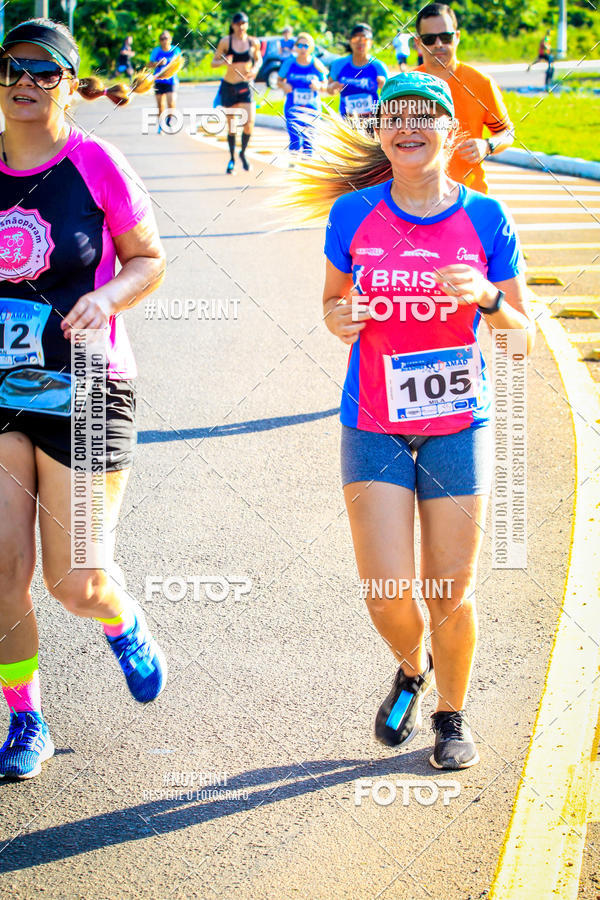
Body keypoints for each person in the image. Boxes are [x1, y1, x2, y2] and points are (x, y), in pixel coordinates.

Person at [292, 71, 534, 768]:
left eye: (424, 115)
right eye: (394, 115)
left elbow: (521, 339)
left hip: (459, 423)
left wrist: (488, 297)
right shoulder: (353, 214)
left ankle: (451, 716)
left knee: (450, 589)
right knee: (386, 592)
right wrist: (339, 317)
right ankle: (412, 665)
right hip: (374, 421)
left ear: (451, 131)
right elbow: (332, 304)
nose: (408, 125)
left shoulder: (486, 217)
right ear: (381, 132)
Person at [0, 18, 167, 780]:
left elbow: (148, 259)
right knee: (3, 574)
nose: (26, 83)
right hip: (4, 393)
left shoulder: (95, 162)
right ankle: (26, 721)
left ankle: (120, 617)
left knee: (75, 583)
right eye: (13, 68)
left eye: (44, 72)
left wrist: (107, 299)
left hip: (89, 389)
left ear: (68, 86)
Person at [415, 3, 513, 194]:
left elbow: (507, 133)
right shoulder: (405, 86)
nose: (438, 44)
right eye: (429, 39)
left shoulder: (481, 83)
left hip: (469, 196)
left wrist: (486, 145)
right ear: (418, 43)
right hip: (417, 197)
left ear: (457, 37)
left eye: (446, 37)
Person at [211, 11, 262, 174]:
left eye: (243, 23)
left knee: (249, 123)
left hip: (245, 86)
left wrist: (255, 69)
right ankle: (232, 158)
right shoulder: (226, 41)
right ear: (233, 25)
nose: (241, 27)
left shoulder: (253, 42)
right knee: (232, 126)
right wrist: (223, 61)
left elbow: (258, 59)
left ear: (247, 25)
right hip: (230, 86)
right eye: (238, 24)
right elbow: (213, 62)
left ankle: (243, 153)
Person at [277, 32, 326, 161]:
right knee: (295, 140)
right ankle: (293, 166)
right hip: (293, 107)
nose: (303, 48)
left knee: (309, 141)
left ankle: (306, 168)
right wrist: (284, 85)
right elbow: (278, 81)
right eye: (300, 45)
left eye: (306, 45)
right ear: (296, 47)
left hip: (312, 108)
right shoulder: (289, 63)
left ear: (311, 47)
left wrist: (319, 85)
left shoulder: (316, 64)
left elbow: (325, 84)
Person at [328, 23, 388, 121]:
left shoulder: (378, 66)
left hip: (372, 119)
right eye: (355, 39)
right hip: (347, 119)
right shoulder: (338, 64)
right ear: (350, 42)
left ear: (371, 43)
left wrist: (384, 84)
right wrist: (333, 86)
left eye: (364, 39)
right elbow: (329, 90)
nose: (360, 43)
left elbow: (390, 95)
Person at [149, 30, 181, 132]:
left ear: (170, 39)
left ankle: (169, 120)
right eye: (162, 39)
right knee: (160, 105)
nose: (164, 41)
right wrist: (158, 63)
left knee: (171, 103)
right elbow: (149, 64)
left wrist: (169, 63)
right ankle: (161, 124)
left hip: (171, 81)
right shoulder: (156, 51)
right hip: (159, 80)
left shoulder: (175, 50)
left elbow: (178, 62)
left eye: (166, 38)